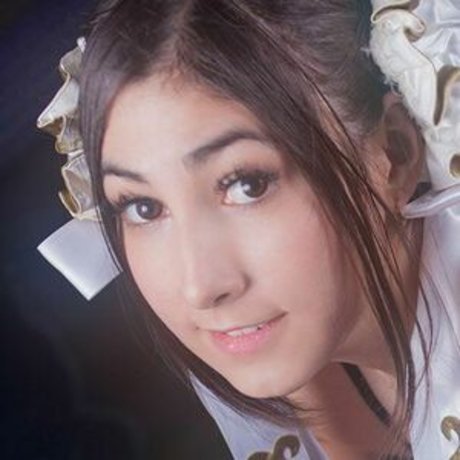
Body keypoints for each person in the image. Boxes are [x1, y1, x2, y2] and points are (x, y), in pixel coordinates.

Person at [36, 0, 460, 458]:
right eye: (143, 208)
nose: (199, 287)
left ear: (394, 153)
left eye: (247, 186)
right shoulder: (289, 354)